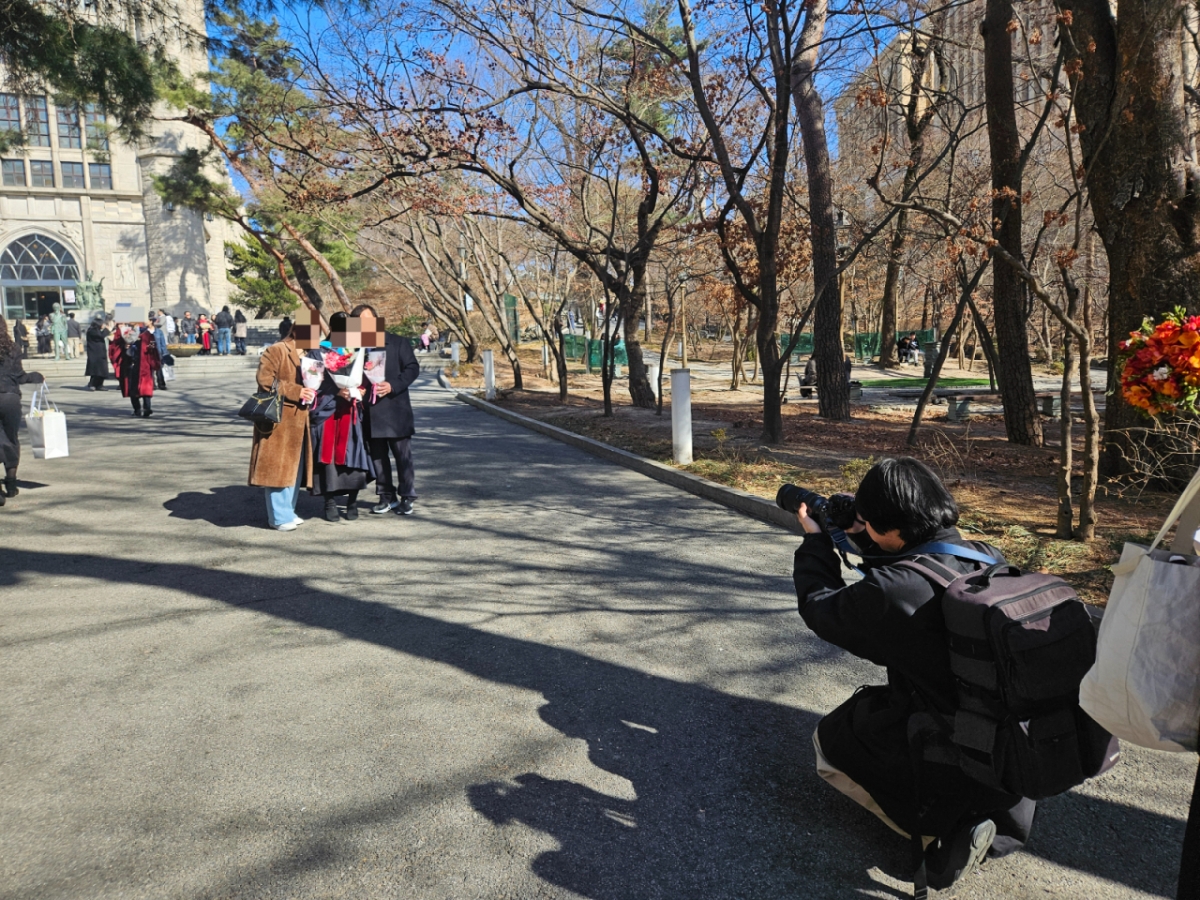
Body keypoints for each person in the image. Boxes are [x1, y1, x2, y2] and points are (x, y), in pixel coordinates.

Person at [792, 457, 1033, 891]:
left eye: (867, 522)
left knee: (831, 742)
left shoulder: (895, 590)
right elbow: (918, 560)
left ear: (889, 529)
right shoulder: (986, 555)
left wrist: (816, 544)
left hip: (947, 740)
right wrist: (864, 535)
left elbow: (822, 609)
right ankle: (993, 818)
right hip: (1018, 740)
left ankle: (939, 829)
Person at [308, 312, 374, 523]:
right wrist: (335, 392)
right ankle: (329, 502)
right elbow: (311, 380)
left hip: (352, 410)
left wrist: (362, 388)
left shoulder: (358, 350)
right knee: (327, 458)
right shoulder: (318, 350)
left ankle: (352, 501)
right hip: (328, 412)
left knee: (353, 455)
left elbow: (369, 375)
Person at [249, 319, 315, 531]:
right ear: (296, 330)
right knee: (278, 468)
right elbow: (265, 379)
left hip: (300, 420)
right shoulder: (276, 349)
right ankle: (278, 517)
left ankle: (288, 510)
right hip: (278, 419)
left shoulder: (309, 355)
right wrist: (296, 391)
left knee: (294, 468)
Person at [355, 304, 421, 516]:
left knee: (403, 456)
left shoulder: (397, 342)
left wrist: (393, 385)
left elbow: (412, 368)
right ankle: (386, 496)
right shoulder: (356, 347)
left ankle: (407, 496)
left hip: (395, 409)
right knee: (377, 457)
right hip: (370, 411)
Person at [0, 315, 44, 506]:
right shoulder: (12, 349)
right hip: (9, 398)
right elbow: (19, 376)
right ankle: (10, 483)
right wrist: (36, 377)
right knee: (11, 438)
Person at [109, 323, 161, 417]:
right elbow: (116, 348)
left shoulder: (148, 336)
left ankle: (146, 408)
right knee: (132, 388)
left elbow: (152, 348)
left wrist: (151, 350)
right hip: (131, 364)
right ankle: (137, 409)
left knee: (145, 388)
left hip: (143, 365)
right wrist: (125, 347)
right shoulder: (125, 334)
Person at [84, 315, 110, 390]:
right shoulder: (91, 331)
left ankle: (100, 385)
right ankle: (92, 384)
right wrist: (107, 329)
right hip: (94, 353)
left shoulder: (97, 330)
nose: (103, 325)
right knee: (95, 370)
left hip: (101, 353)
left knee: (102, 370)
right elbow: (101, 336)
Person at [148, 318, 169, 390]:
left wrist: (165, 354)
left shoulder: (159, 332)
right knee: (150, 370)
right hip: (148, 353)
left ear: (151, 321)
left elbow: (163, 344)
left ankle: (161, 384)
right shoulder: (144, 332)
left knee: (159, 369)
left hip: (158, 352)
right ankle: (152, 384)